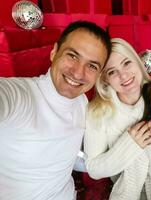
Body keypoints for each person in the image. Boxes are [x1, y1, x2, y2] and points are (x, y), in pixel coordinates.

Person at [0, 21, 111, 200]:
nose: (78, 73)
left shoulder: (82, 102)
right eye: (72, 56)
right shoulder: (21, 95)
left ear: (99, 74)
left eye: (92, 66)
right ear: (54, 52)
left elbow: (66, 155)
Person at [83, 38, 151, 184]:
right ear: (105, 79)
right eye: (112, 72)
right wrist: (131, 144)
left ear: (137, 61)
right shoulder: (97, 111)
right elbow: (93, 169)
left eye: (127, 63)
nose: (123, 75)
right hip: (127, 190)